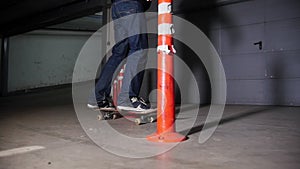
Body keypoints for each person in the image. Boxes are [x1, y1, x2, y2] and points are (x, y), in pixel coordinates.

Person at [87, 0, 152, 111]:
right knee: (139, 50)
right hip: (132, 6)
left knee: (119, 53)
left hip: (117, 7)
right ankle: (127, 99)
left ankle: (97, 98)